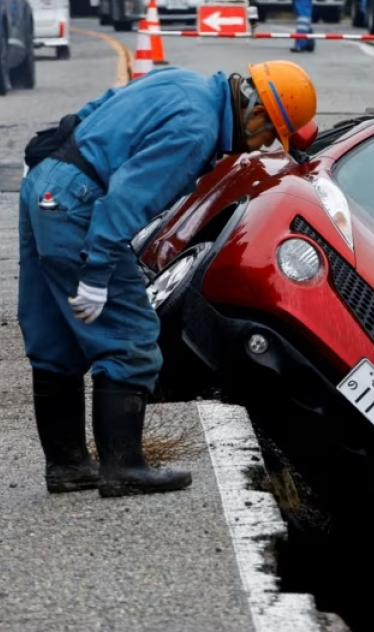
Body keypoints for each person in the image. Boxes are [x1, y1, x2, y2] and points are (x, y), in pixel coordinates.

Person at [18, 61, 318, 498]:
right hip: (76, 205)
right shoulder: (195, 132)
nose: (262, 145)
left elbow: (105, 104)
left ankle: (67, 465)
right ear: (255, 113)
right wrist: (98, 271)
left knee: (54, 333)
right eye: (269, 134)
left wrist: (59, 147)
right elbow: (126, 200)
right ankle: (123, 469)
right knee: (132, 334)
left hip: (47, 182)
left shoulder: (183, 81)